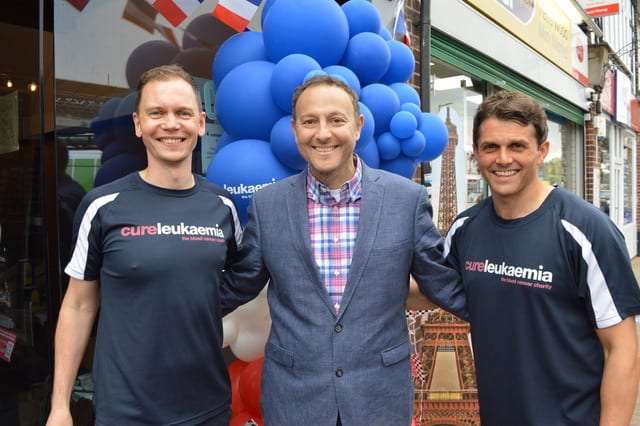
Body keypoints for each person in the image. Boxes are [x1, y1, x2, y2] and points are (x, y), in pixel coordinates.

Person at [220, 75, 466, 426]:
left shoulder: (405, 200)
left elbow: (442, 284)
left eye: (336, 120)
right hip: (295, 401)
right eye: (310, 121)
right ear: (295, 129)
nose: (323, 133)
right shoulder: (268, 204)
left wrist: (522, 312)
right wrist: (169, 308)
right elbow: (239, 284)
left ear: (358, 126)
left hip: (378, 399)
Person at [46, 65, 241, 426]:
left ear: (200, 123)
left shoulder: (223, 206)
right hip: (126, 411)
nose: (171, 124)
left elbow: (239, 280)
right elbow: (77, 306)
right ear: (138, 124)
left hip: (208, 406)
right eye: (157, 113)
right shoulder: (102, 205)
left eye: (182, 113)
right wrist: (60, 405)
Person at [444, 91, 640, 425]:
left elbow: (622, 349)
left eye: (517, 146)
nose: (503, 159)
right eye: (491, 147)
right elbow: (429, 287)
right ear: (476, 154)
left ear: (542, 151)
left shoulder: (586, 230)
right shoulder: (464, 229)